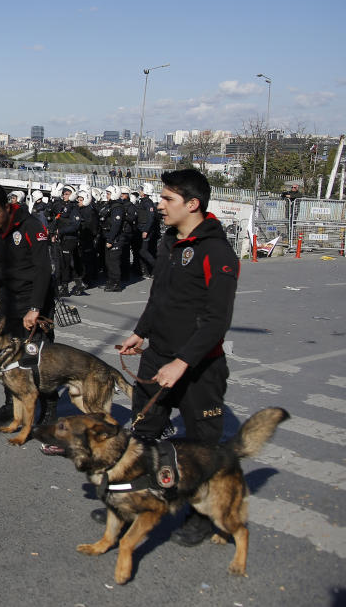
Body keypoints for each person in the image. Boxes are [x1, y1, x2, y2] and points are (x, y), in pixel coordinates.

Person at [111, 168, 239, 546]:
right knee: (145, 433)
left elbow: (218, 320)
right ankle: (139, 504)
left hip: (199, 368)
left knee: (201, 446)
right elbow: (160, 297)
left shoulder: (217, 252)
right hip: (157, 356)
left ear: (193, 204)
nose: (160, 205)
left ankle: (201, 515)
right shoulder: (169, 242)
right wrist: (140, 333)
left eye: (168, 199)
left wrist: (182, 362)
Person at [0, 184, 55, 422]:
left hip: (36, 299)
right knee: (9, 357)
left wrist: (35, 308)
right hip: (9, 301)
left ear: (7, 207)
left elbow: (43, 270)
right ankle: (11, 403)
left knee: (39, 360)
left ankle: (50, 413)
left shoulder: (31, 226)